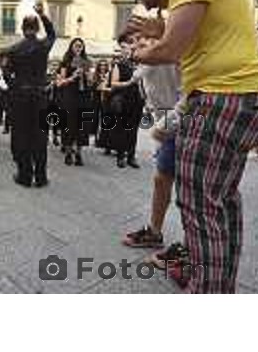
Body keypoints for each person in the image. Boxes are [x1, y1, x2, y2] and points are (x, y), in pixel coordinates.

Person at [131, 0, 258, 294]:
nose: (152, 7)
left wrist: (136, 55)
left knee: (200, 205)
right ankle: (219, 286)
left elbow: (169, 50)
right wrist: (163, 33)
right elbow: (194, 55)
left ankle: (206, 290)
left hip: (222, 99)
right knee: (221, 202)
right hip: (243, 98)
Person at [122, 45, 181, 248]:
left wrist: (166, 124)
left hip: (178, 121)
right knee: (162, 178)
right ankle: (155, 232)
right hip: (169, 121)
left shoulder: (157, 58)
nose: (133, 45)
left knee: (174, 182)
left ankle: (192, 248)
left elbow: (190, 94)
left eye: (138, 40)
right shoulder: (153, 60)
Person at [0, 1, 56, 187]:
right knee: (40, 136)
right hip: (40, 96)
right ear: (37, 29)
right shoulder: (43, 46)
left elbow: (6, 72)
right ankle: (41, 176)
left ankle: (24, 175)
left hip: (20, 97)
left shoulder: (14, 49)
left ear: (22, 29)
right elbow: (52, 33)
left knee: (21, 135)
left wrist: (15, 85)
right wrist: (43, 14)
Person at [101, 34, 144, 168]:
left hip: (137, 99)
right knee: (122, 129)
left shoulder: (140, 65)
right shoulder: (119, 65)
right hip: (124, 99)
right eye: (124, 48)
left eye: (130, 47)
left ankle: (131, 156)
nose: (128, 50)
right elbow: (113, 84)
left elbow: (144, 83)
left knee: (134, 130)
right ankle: (121, 156)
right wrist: (129, 82)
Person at [56, 38, 92, 166]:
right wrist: (73, 77)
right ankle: (68, 152)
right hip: (70, 96)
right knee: (69, 125)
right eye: (76, 46)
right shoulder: (65, 62)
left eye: (81, 46)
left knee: (82, 125)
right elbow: (59, 82)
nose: (78, 48)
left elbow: (91, 82)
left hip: (84, 96)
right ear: (71, 47)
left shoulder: (86, 62)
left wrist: (87, 75)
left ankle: (79, 153)